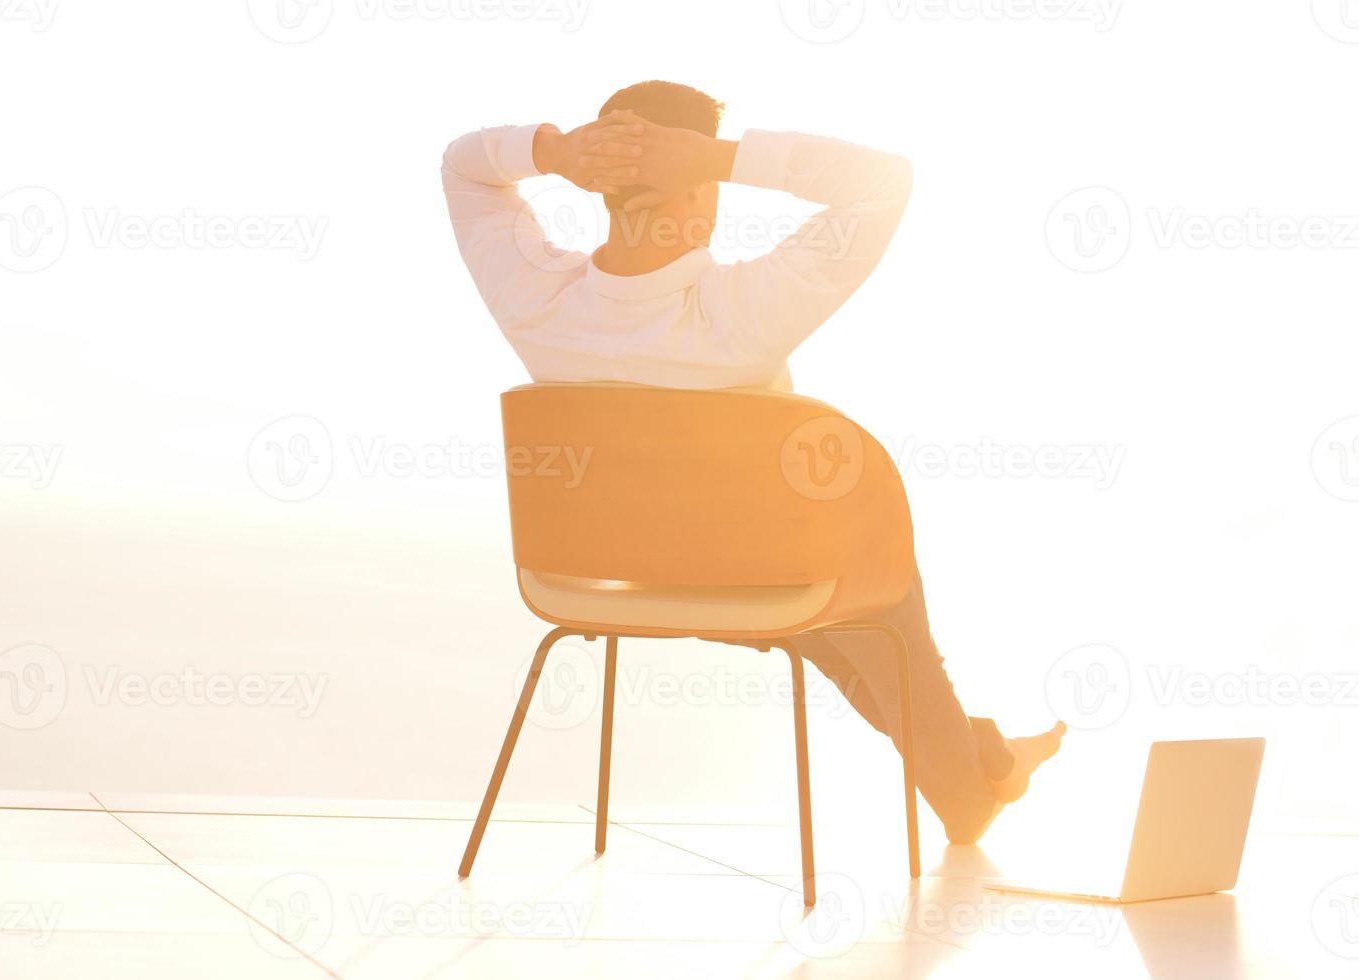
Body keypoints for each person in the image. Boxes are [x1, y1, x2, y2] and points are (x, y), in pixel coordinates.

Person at [441, 79, 1064, 844]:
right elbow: (883, 181)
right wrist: (723, 157)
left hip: (615, 581)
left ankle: (984, 764)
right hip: (761, 582)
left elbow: (464, 165)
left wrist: (555, 151)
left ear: (598, 186)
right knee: (870, 598)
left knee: (843, 636)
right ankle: (973, 783)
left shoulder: (532, 301)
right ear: (699, 190)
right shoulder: (740, 314)